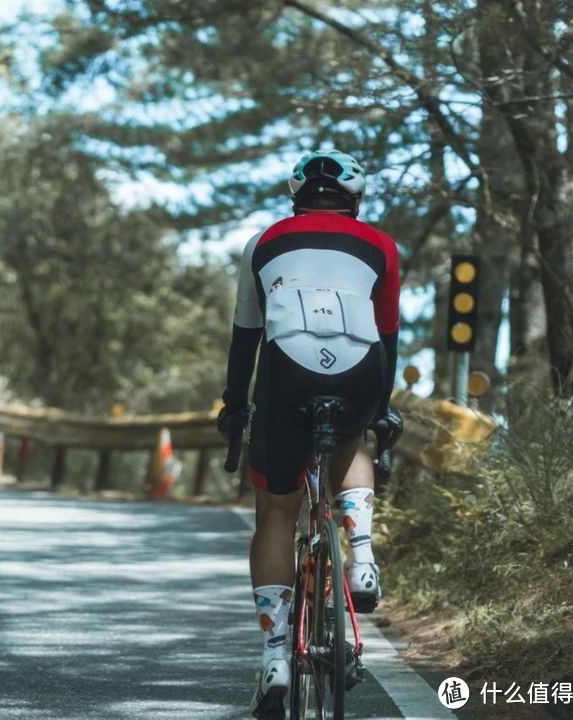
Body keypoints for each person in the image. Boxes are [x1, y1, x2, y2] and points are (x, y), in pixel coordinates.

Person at [216, 149, 402, 716]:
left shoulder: (264, 242)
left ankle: (275, 656)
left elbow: (245, 338)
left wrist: (234, 406)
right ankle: (362, 556)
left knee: (276, 511)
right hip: (360, 370)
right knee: (354, 437)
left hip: (285, 373)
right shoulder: (382, 246)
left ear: (294, 197)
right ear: (356, 199)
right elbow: (386, 338)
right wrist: (380, 409)